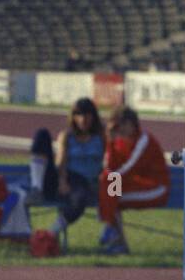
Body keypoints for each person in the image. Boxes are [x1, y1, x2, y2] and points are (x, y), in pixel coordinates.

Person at [97, 105, 169, 256]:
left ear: (132, 123)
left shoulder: (144, 140)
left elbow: (128, 169)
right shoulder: (119, 141)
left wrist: (110, 179)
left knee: (111, 196)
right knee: (108, 187)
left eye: (122, 124)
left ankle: (113, 234)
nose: (119, 129)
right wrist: (110, 142)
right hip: (136, 185)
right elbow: (110, 168)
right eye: (116, 125)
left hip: (156, 189)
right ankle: (115, 238)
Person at [38, 97, 105, 238]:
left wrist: (114, 189)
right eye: (78, 115)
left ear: (93, 116)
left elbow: (113, 161)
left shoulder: (102, 136)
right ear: (73, 117)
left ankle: (113, 236)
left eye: (87, 115)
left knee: (115, 195)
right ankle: (51, 233)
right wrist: (62, 182)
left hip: (98, 179)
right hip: (74, 178)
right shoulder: (67, 136)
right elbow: (61, 163)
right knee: (79, 199)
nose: (83, 119)